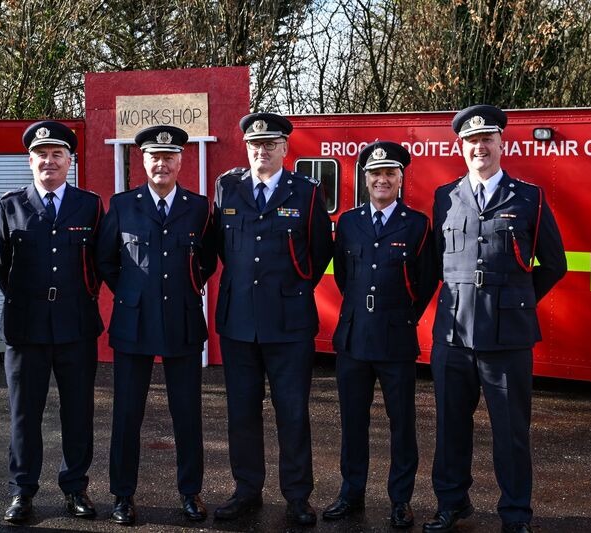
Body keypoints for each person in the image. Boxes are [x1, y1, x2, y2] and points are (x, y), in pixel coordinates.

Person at [424, 105, 567, 533]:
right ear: (460, 147)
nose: (479, 147)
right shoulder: (445, 197)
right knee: (450, 428)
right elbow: (437, 261)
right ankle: (452, 503)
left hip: (508, 338)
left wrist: (518, 301)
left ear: (502, 144)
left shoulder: (528, 197)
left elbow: (554, 263)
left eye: (487, 139)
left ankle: (516, 514)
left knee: (511, 431)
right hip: (452, 334)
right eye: (471, 141)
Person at [212, 112, 333, 526]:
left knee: (293, 412)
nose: (261, 151)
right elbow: (222, 249)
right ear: (246, 147)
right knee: (242, 412)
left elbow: (318, 252)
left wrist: (291, 287)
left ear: (284, 148)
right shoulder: (227, 188)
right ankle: (246, 491)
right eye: (254, 145)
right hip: (239, 320)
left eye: (270, 145)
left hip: (290, 322)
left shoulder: (307, 192)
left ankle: (298, 496)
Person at [96, 125, 217, 526]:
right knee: (127, 414)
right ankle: (122, 495)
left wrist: (185, 290)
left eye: (169, 157)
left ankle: (190, 493)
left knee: (187, 414)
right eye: (154, 157)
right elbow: (107, 261)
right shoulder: (123, 205)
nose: (161, 164)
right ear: (142, 162)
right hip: (134, 322)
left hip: (182, 320)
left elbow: (208, 260)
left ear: (181, 161)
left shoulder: (198, 207)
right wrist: (132, 293)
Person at [0, 121, 104, 524]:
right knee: (24, 415)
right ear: (31, 160)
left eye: (58, 154)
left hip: (75, 325)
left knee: (78, 413)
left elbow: (98, 263)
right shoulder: (9, 205)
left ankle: (76, 487)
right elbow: (0, 266)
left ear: (69, 161)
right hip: (26, 327)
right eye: (42, 154)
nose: (49, 161)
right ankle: (22, 491)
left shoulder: (89, 205)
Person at [324, 141, 437, 528]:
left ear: (401, 179)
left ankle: (400, 500)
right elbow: (343, 275)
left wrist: (401, 316)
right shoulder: (350, 222)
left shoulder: (418, 224)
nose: (382, 180)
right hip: (354, 337)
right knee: (353, 422)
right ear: (365, 179)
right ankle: (351, 493)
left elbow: (425, 282)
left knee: (401, 424)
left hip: (396, 338)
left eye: (390, 173)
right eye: (375, 174)